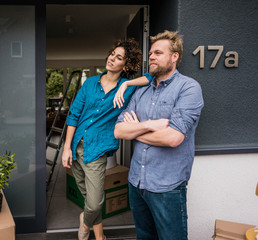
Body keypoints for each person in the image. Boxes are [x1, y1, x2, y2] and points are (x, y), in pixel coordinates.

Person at [114, 30, 204, 240]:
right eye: (151, 53)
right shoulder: (141, 92)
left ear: (175, 57)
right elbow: (119, 130)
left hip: (168, 187)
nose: (151, 57)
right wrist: (151, 125)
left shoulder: (188, 88)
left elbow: (173, 138)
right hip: (137, 183)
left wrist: (135, 131)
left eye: (158, 53)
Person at [61, 38, 153, 240]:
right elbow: (74, 114)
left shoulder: (128, 87)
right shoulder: (91, 82)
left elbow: (151, 77)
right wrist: (66, 148)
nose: (112, 58)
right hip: (76, 146)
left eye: (119, 57)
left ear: (126, 65)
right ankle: (100, 237)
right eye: (112, 54)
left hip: (96, 150)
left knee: (94, 204)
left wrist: (127, 82)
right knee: (88, 198)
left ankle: (85, 223)